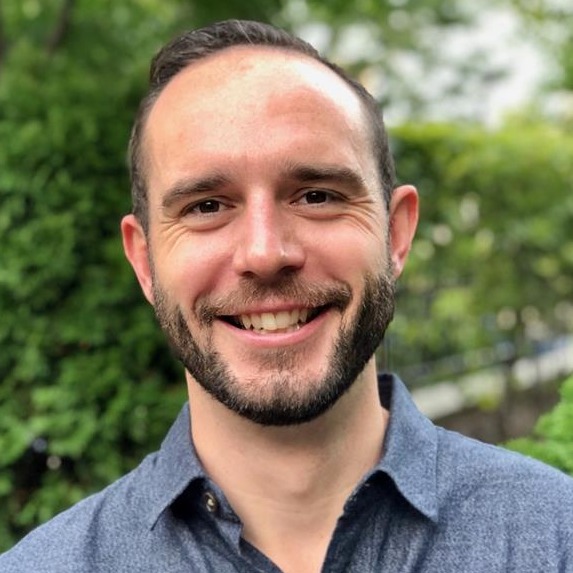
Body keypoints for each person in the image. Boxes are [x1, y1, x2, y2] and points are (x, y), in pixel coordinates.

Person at [1, 19, 572, 573]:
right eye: (206, 206)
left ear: (396, 234)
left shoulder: (555, 538)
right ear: (144, 262)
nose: (265, 253)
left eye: (317, 195)